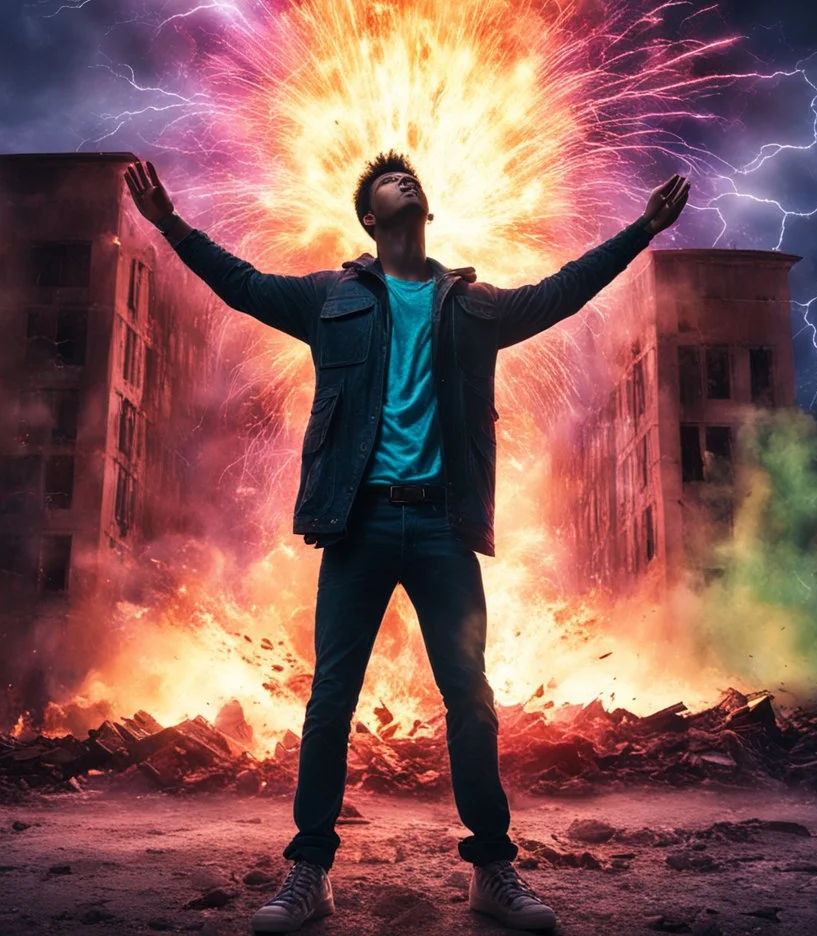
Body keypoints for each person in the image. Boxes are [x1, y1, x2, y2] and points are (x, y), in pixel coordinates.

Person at [124, 154, 690, 933]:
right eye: (392, 182)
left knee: (471, 703)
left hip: (440, 527)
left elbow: (563, 291)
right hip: (355, 524)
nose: (409, 182)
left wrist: (643, 230)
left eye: (415, 179)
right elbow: (243, 284)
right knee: (330, 704)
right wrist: (171, 226)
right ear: (370, 217)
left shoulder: (473, 304)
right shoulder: (331, 298)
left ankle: (493, 869)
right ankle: (309, 872)